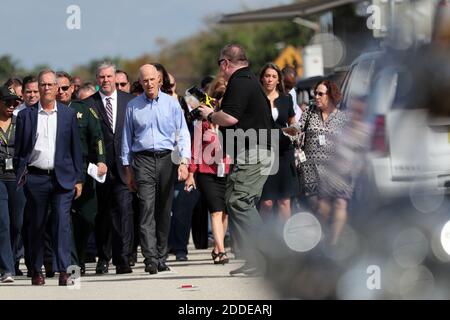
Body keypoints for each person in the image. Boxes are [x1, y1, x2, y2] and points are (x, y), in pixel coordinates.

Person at [198, 44, 274, 276]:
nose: (220, 70)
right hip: (253, 150)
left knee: (240, 201)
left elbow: (230, 118)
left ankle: (267, 256)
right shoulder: (248, 80)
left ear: (225, 63)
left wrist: (209, 114)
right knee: (234, 199)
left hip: (254, 151)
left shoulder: (240, 81)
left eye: (220, 65)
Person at [14, 69, 83, 286]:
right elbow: (19, 151)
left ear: (56, 88)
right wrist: (20, 175)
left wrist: (78, 178)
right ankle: (36, 270)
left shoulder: (67, 115)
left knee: (62, 224)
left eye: (50, 85)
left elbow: (75, 149)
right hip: (35, 178)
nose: (46, 88)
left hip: (62, 178)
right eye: (42, 85)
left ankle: (64, 271)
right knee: (37, 225)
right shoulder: (25, 115)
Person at [122, 64, 191, 275]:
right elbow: (126, 138)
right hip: (142, 160)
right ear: (140, 82)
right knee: (146, 208)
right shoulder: (133, 106)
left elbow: (183, 134)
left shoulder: (172, 104)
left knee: (164, 210)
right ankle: (150, 258)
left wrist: (184, 162)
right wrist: (128, 170)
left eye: (152, 79)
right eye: (145, 80)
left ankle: (162, 256)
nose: (149, 83)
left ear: (159, 80)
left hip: (167, 159)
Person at [83, 62, 134, 275]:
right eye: (101, 77)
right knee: (102, 214)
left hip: (123, 167)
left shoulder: (129, 101)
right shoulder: (88, 104)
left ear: (115, 78)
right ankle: (103, 259)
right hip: (99, 168)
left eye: (109, 77)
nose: (105, 80)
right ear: (97, 80)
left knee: (123, 212)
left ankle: (122, 259)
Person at [56, 71, 107, 274]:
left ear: (72, 88)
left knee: (87, 217)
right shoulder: (49, 111)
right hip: (60, 169)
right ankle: (72, 263)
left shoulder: (83, 110)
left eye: (65, 88)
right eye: (57, 88)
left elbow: (98, 137)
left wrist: (102, 161)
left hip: (84, 169)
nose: (61, 92)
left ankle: (80, 253)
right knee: (64, 218)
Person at [286, 80, 348, 244]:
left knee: (331, 206)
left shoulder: (342, 118)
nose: (316, 97)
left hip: (332, 169)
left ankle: (330, 243)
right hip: (310, 168)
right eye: (316, 93)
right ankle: (320, 238)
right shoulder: (310, 112)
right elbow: (298, 129)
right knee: (316, 207)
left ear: (331, 95)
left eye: (321, 94)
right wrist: (283, 132)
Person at [185, 74, 231, 264]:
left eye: (225, 93)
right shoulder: (202, 115)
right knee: (215, 210)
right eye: (218, 93)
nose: (220, 97)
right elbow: (195, 146)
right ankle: (221, 251)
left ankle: (216, 246)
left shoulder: (231, 114)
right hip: (207, 170)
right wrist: (191, 173)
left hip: (227, 167)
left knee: (225, 211)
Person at [259, 63, 298, 221]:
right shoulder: (256, 98)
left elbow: (293, 123)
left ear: (278, 80)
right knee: (267, 202)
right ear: (262, 78)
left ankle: (284, 239)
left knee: (284, 200)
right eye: (267, 76)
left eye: (273, 76)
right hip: (264, 151)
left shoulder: (286, 99)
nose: (270, 79)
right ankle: (264, 238)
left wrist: (295, 132)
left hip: (284, 152)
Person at [0, 85, 24, 283]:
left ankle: (14, 260)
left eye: (15, 102)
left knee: (18, 223)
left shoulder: (20, 121)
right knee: (3, 223)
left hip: (16, 177)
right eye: (7, 102)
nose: (11, 106)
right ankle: (6, 268)